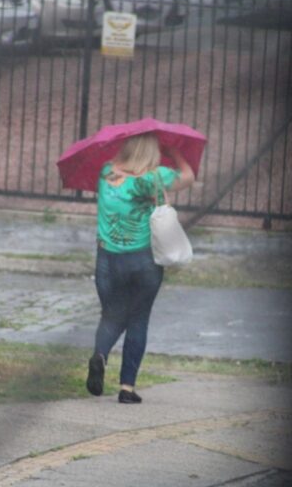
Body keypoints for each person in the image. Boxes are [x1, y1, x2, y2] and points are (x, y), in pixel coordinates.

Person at [86, 132, 194, 404]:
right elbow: (189, 176)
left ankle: (100, 354)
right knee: (138, 319)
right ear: (151, 152)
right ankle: (127, 388)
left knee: (111, 315)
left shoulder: (105, 172)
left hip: (107, 260)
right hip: (141, 261)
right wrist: (173, 153)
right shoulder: (153, 177)